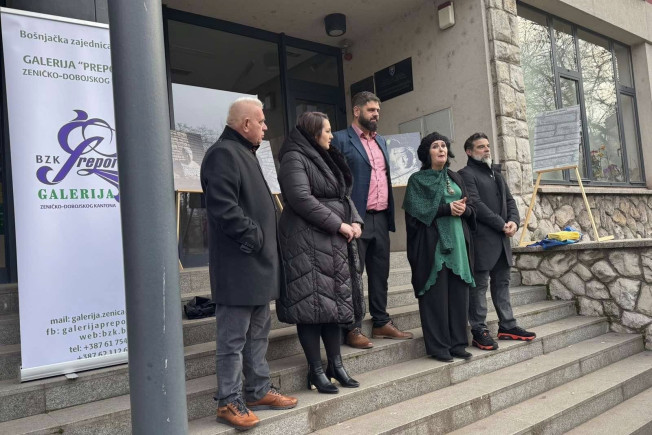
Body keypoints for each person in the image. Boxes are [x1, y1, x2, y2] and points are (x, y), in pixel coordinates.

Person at [200, 97, 297, 431]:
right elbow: (223, 208)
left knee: (258, 335)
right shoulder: (223, 154)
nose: (266, 127)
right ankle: (228, 401)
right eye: (261, 121)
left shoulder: (244, 152)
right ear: (245, 124)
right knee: (233, 340)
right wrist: (255, 237)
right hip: (239, 265)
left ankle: (257, 390)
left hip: (255, 265)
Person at [276, 112, 364, 394]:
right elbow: (300, 198)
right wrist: (338, 224)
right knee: (310, 307)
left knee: (332, 306)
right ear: (314, 133)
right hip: (307, 242)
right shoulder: (294, 157)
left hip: (330, 241)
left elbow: (342, 196)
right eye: (327, 130)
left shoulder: (323, 156)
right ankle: (315, 371)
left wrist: (355, 221)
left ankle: (335, 365)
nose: (331, 135)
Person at [332, 91, 413, 349]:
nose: (376, 114)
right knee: (352, 276)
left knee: (380, 274)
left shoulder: (381, 142)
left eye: (378, 111)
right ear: (357, 111)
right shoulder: (340, 139)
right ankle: (352, 327)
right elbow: (334, 181)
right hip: (356, 219)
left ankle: (381, 322)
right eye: (371, 110)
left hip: (381, 218)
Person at [459, 132, 536, 351]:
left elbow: (510, 201)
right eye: (481, 147)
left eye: (487, 146)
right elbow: (475, 204)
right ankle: (479, 330)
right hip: (481, 241)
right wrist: (502, 224)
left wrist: (514, 222)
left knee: (502, 283)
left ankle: (508, 326)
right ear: (469, 152)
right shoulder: (465, 174)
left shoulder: (496, 174)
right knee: (479, 287)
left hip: (502, 241)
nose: (486, 149)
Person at [404, 132, 476, 362]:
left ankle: (458, 343)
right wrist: (447, 209)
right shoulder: (417, 180)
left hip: (458, 242)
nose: (441, 149)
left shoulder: (455, 177)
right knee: (436, 297)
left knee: (459, 295)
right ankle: (439, 346)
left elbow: (471, 207)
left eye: (443, 145)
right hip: (432, 245)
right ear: (427, 153)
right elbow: (415, 214)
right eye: (435, 146)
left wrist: (465, 210)